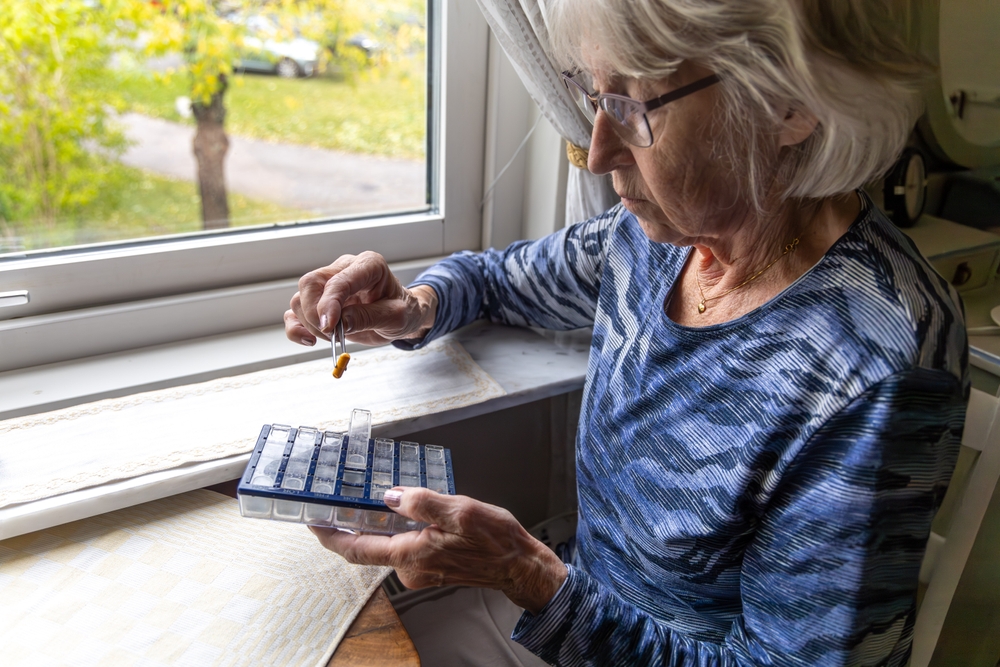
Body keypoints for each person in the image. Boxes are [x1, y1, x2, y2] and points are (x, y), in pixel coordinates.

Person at [284, 0, 968, 664]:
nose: (599, 150)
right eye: (594, 95)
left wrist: (533, 578)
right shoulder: (659, 236)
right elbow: (498, 279)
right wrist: (413, 305)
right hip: (559, 621)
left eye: (633, 108)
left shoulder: (880, 361)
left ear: (786, 103)